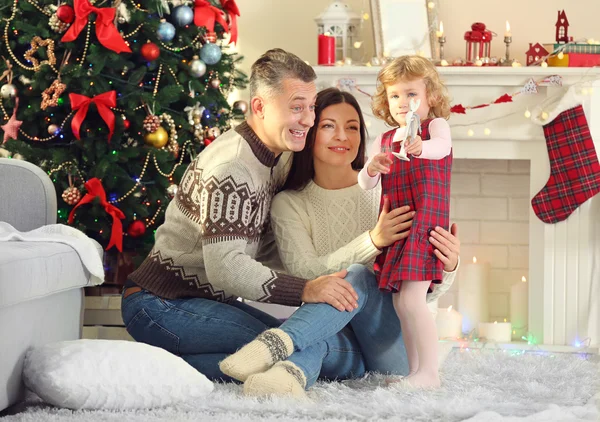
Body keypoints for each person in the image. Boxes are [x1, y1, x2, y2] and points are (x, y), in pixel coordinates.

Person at [121, 49, 364, 382]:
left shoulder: (274, 159)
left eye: (310, 107)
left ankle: (163, 370)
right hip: (161, 304)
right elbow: (226, 268)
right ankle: (149, 374)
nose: (308, 119)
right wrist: (306, 289)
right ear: (260, 106)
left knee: (298, 346)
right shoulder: (233, 168)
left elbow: (266, 246)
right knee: (298, 349)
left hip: (199, 303)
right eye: (296, 107)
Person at [219, 87, 460, 397]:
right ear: (309, 132)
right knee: (317, 339)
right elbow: (305, 275)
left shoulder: (383, 189)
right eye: (328, 126)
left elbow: (420, 280)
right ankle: (285, 377)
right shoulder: (289, 204)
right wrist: (373, 240)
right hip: (336, 337)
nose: (342, 136)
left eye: (352, 127)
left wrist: (449, 265)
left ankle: (274, 343)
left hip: (392, 344)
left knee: (360, 275)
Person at [357, 55, 453, 389]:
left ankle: (430, 373)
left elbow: (441, 148)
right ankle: (416, 372)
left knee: (413, 299)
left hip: (426, 225)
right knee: (401, 301)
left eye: (411, 94)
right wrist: (372, 168)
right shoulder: (384, 139)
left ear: (431, 98)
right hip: (399, 228)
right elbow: (365, 183)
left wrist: (420, 146)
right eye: (395, 95)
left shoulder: (434, 129)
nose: (402, 102)